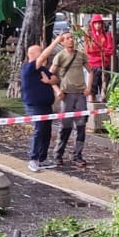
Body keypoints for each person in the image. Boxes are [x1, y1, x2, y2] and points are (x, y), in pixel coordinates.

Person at [49, 28, 89, 167]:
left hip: (80, 94)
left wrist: (88, 87)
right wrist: (57, 90)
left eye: (72, 37)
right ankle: (58, 154)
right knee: (65, 127)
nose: (71, 40)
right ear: (62, 42)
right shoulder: (60, 56)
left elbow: (91, 71)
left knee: (81, 126)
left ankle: (77, 155)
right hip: (67, 95)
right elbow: (50, 75)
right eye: (67, 38)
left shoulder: (81, 55)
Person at [19, 42, 58, 172]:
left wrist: (49, 81)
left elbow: (55, 78)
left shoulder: (42, 69)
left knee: (46, 132)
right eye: (40, 52)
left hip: (46, 105)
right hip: (35, 106)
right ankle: (33, 158)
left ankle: (42, 158)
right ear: (33, 55)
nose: (43, 54)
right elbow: (43, 57)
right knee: (39, 130)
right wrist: (56, 41)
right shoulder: (29, 68)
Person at [86, 14, 113, 101]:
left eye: (99, 23)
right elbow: (89, 50)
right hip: (93, 65)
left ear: (102, 24)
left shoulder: (107, 35)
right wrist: (101, 50)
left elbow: (110, 50)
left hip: (105, 65)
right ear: (92, 24)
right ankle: (92, 107)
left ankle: (105, 106)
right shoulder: (89, 37)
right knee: (92, 90)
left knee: (105, 89)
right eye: (95, 23)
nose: (97, 25)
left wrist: (100, 51)